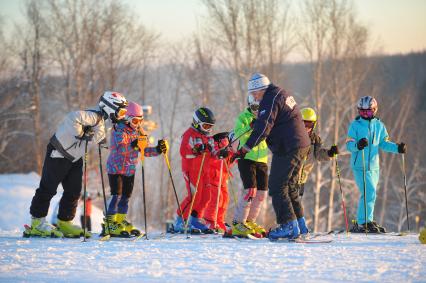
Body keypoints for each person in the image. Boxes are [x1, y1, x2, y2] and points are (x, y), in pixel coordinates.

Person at [25, 91, 128, 238]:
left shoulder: (101, 120)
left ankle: (65, 222)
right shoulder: (93, 115)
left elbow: (97, 137)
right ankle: (37, 224)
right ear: (110, 107)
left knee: (74, 191)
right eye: (121, 111)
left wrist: (102, 141)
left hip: (74, 158)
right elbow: (73, 117)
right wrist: (80, 134)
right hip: (58, 153)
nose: (122, 115)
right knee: (48, 188)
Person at [233, 73, 311, 240]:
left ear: (260, 89)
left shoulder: (269, 99)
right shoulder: (281, 93)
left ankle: (288, 226)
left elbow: (263, 128)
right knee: (290, 186)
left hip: (288, 146)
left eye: (254, 94)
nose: (254, 97)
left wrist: (245, 148)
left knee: (277, 186)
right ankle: (300, 225)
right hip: (300, 143)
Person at [102, 101, 168, 237]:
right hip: (115, 168)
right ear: (127, 118)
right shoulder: (118, 129)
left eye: (140, 121)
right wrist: (134, 144)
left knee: (126, 197)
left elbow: (145, 151)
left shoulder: (139, 131)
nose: (138, 124)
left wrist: (158, 149)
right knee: (116, 195)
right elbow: (120, 149)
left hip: (129, 169)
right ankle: (110, 224)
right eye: (135, 120)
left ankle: (119, 221)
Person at [346, 96, 406, 233]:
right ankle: (362, 223)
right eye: (362, 112)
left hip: (374, 167)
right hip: (359, 166)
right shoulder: (355, 126)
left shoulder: (379, 126)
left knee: (371, 194)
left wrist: (397, 148)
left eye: (368, 112)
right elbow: (349, 145)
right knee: (369, 192)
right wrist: (358, 145)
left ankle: (368, 220)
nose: (365, 114)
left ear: (375, 110)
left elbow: (384, 143)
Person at [173, 107, 217, 234]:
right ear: (197, 122)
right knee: (194, 196)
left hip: (204, 170)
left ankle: (194, 219)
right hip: (191, 169)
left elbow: (213, 152)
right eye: (206, 126)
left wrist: (221, 153)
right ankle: (180, 221)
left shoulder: (207, 137)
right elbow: (183, 152)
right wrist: (197, 150)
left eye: (210, 127)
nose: (208, 129)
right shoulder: (189, 134)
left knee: (206, 196)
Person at [230, 95, 269, 238]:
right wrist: (250, 126)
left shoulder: (266, 119)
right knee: (250, 191)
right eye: (254, 107)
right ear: (249, 106)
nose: (257, 111)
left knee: (261, 193)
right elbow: (238, 134)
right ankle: (238, 223)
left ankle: (250, 222)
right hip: (246, 157)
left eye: (260, 108)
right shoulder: (243, 117)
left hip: (262, 159)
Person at [296, 107, 338, 234]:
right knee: (290, 203)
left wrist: (330, 153)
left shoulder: (315, 139)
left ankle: (296, 228)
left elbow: (318, 155)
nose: (306, 127)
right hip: (291, 175)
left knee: (297, 203)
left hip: (302, 177)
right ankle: (290, 227)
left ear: (313, 124)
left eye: (309, 124)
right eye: (304, 123)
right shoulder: (294, 136)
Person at [203, 132, 233, 233]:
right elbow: (214, 153)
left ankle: (219, 220)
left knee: (225, 199)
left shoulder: (229, 146)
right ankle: (210, 221)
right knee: (216, 198)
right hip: (213, 177)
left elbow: (230, 158)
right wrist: (220, 153)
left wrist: (235, 156)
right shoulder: (213, 143)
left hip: (223, 178)